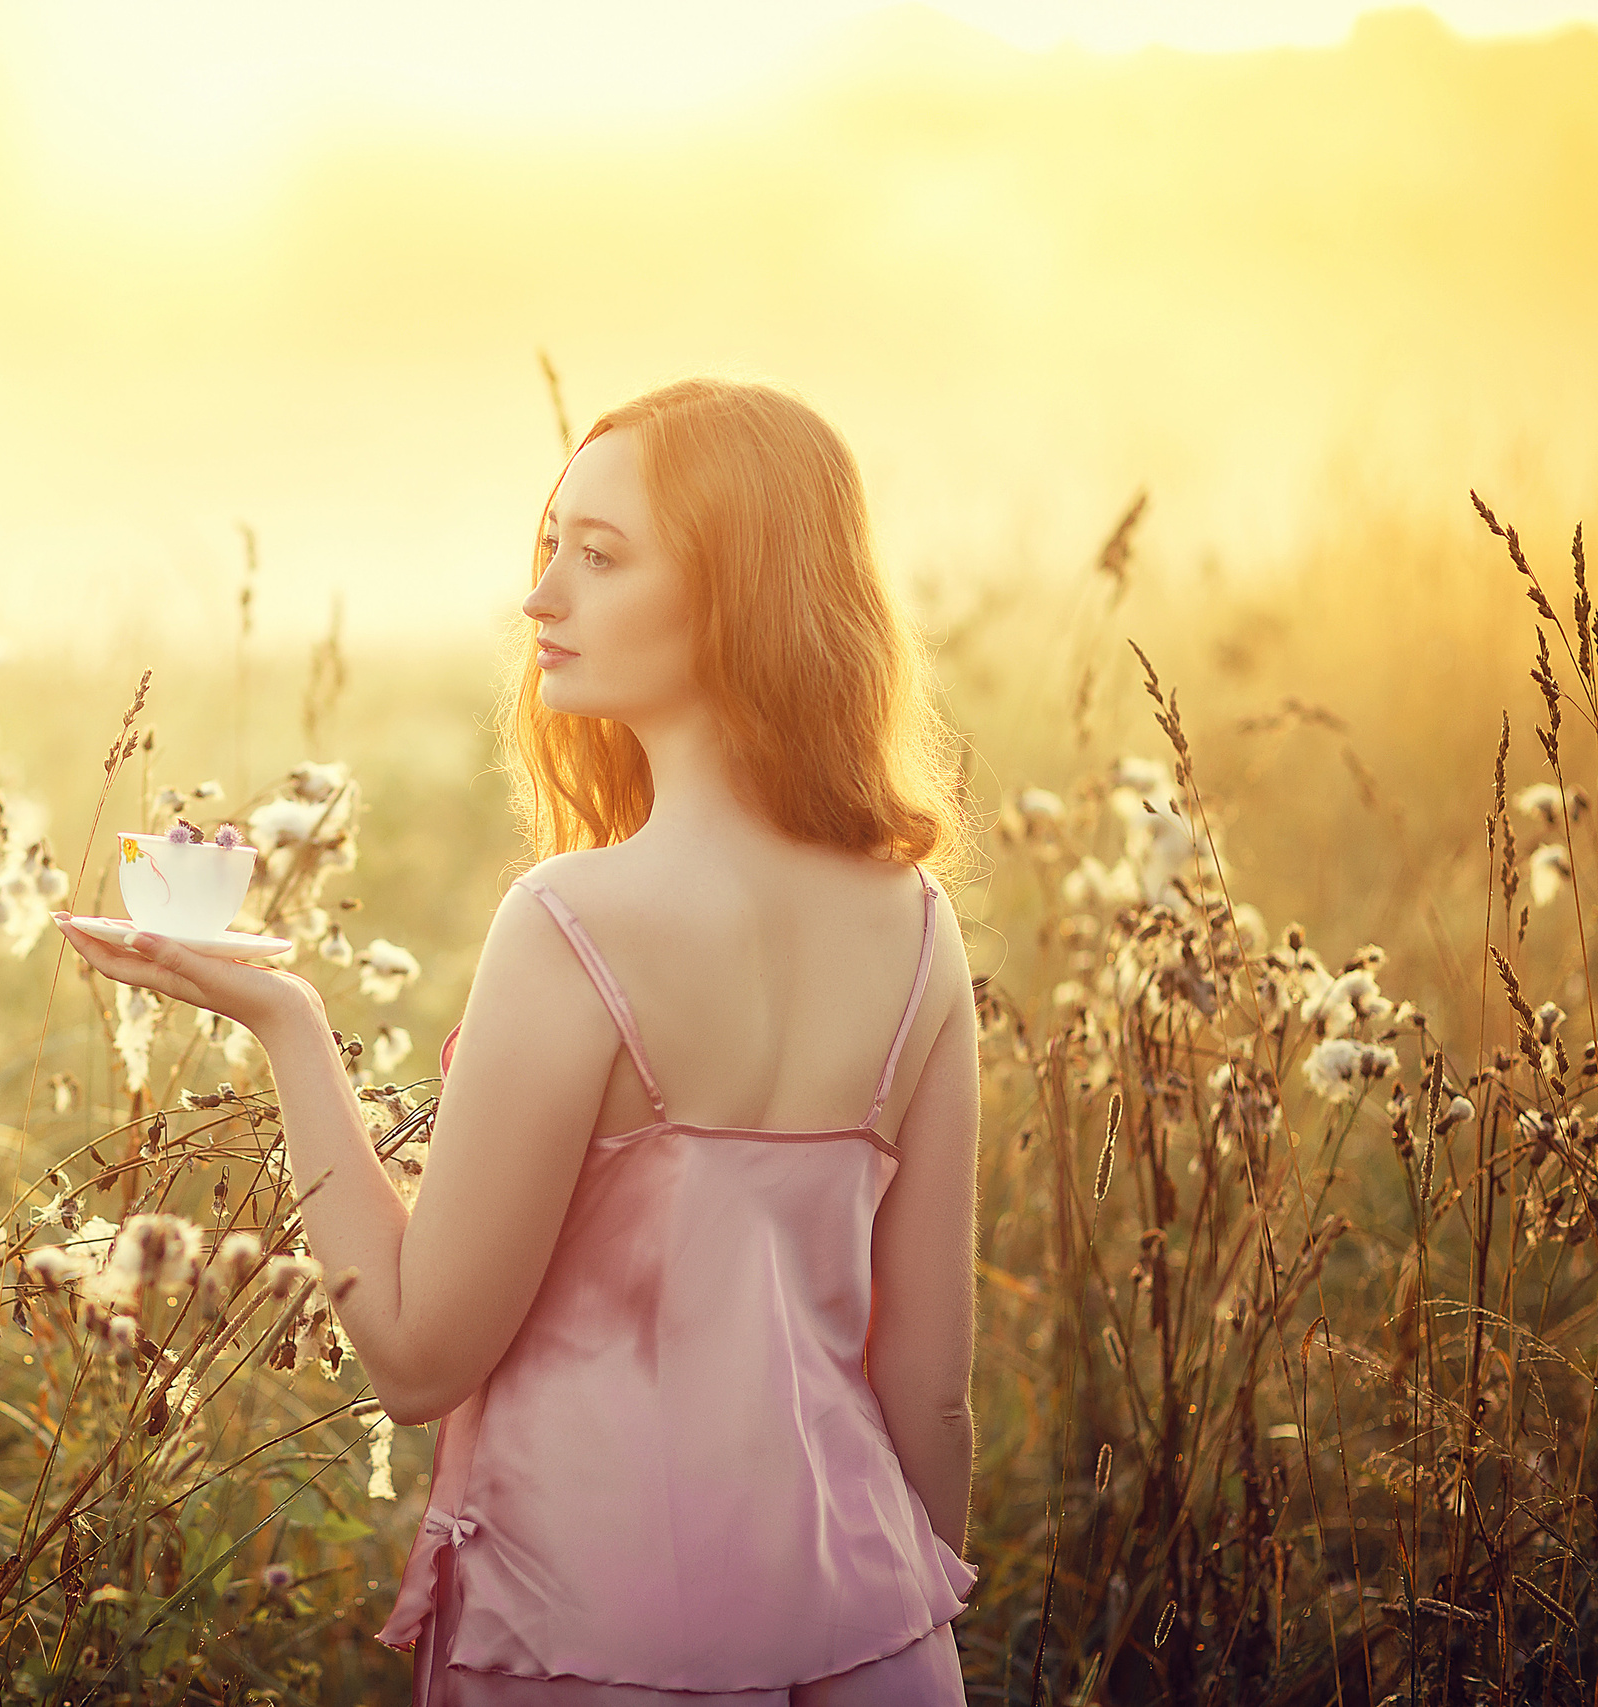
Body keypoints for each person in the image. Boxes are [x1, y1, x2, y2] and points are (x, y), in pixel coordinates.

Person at [56, 375, 980, 1703]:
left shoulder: (572, 921)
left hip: (592, 1637)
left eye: (599, 558)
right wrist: (884, 1619)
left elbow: (422, 1357)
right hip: (884, 1644)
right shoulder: (922, 927)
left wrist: (290, 1026)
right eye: (550, 548)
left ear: (739, 595)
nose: (542, 598)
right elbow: (931, 1396)